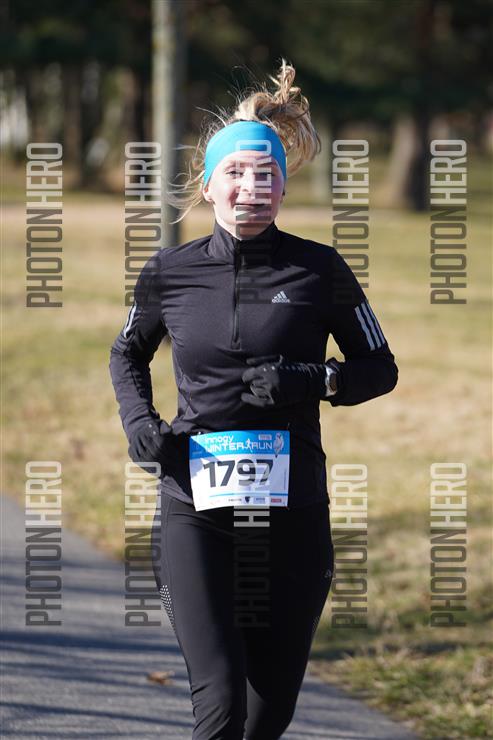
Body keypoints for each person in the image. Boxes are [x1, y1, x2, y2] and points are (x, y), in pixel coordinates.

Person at [109, 59, 398, 740]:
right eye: (235, 173)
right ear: (208, 184)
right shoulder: (169, 272)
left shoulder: (319, 269)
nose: (251, 187)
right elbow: (126, 353)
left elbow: (378, 368)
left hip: (293, 515)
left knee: (267, 715)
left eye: (266, 174)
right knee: (219, 704)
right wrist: (140, 423)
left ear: (283, 187)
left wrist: (315, 380)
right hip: (194, 507)